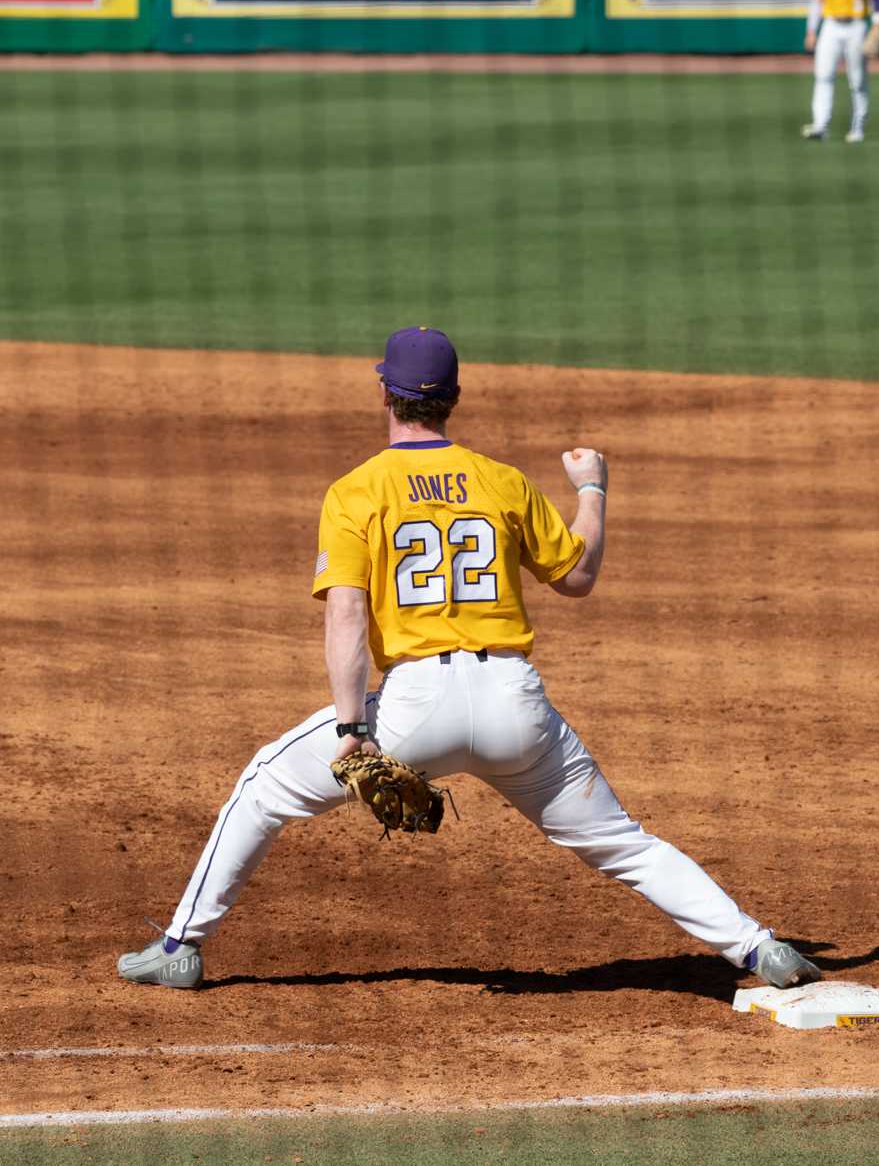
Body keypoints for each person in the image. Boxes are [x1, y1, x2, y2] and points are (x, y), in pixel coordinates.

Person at [116, 326, 822, 993]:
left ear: (385, 394)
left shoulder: (357, 490)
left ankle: (180, 949)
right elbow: (576, 577)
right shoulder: (500, 481)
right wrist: (593, 490)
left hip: (416, 709)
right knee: (622, 842)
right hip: (518, 707)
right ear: (452, 399)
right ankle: (761, 947)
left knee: (263, 787)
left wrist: (347, 728)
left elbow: (346, 613)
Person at [801, 0, 879, 145]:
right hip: (830, 26)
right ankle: (820, 125)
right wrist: (811, 30)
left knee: (857, 80)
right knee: (823, 76)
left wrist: (877, 23)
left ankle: (857, 128)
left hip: (856, 26)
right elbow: (816, 1)